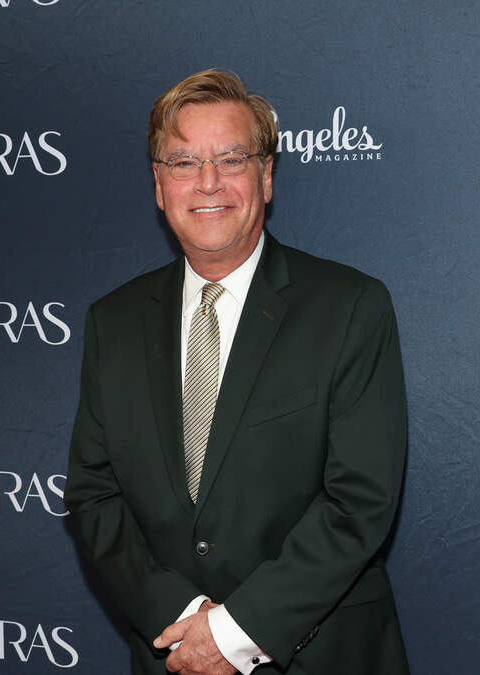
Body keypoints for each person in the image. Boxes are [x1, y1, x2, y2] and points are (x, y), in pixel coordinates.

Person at [66, 69, 409, 675]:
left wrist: (232, 633)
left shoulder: (350, 307)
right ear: (159, 185)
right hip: (172, 651)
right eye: (183, 163)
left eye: (231, 159)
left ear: (266, 176)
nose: (208, 182)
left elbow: (360, 500)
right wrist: (185, 619)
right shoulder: (112, 322)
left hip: (318, 655)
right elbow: (94, 495)